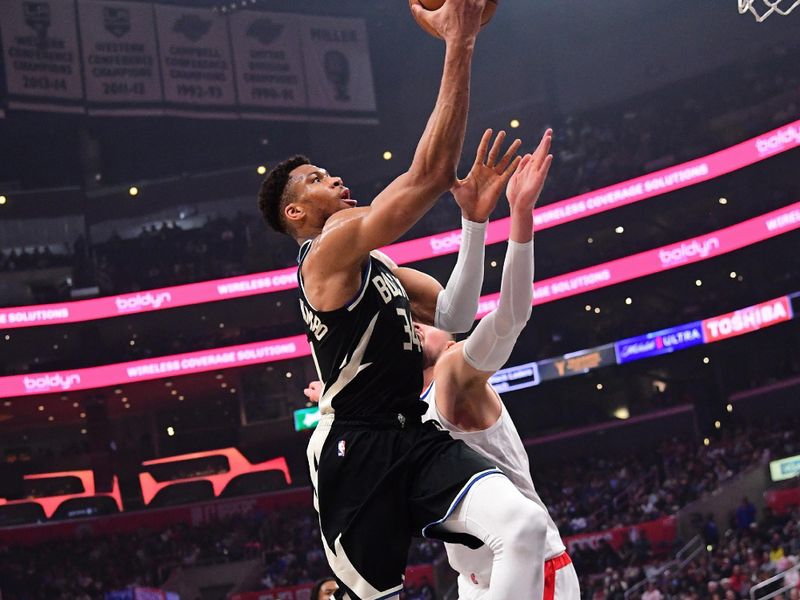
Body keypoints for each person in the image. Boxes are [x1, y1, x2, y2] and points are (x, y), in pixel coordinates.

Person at [259, 1, 553, 597]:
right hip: (356, 448)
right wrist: (458, 43)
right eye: (317, 179)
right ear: (296, 213)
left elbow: (456, 315)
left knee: (522, 526)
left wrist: (474, 222)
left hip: (412, 432)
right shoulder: (326, 251)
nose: (334, 180)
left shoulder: (377, 263)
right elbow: (426, 176)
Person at [306, 136, 577, 599]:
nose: (411, 327)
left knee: (520, 530)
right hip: (473, 580)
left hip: (531, 564)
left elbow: (509, 316)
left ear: (451, 339)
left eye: (420, 323)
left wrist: (519, 216)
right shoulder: (398, 415)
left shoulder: (454, 371)